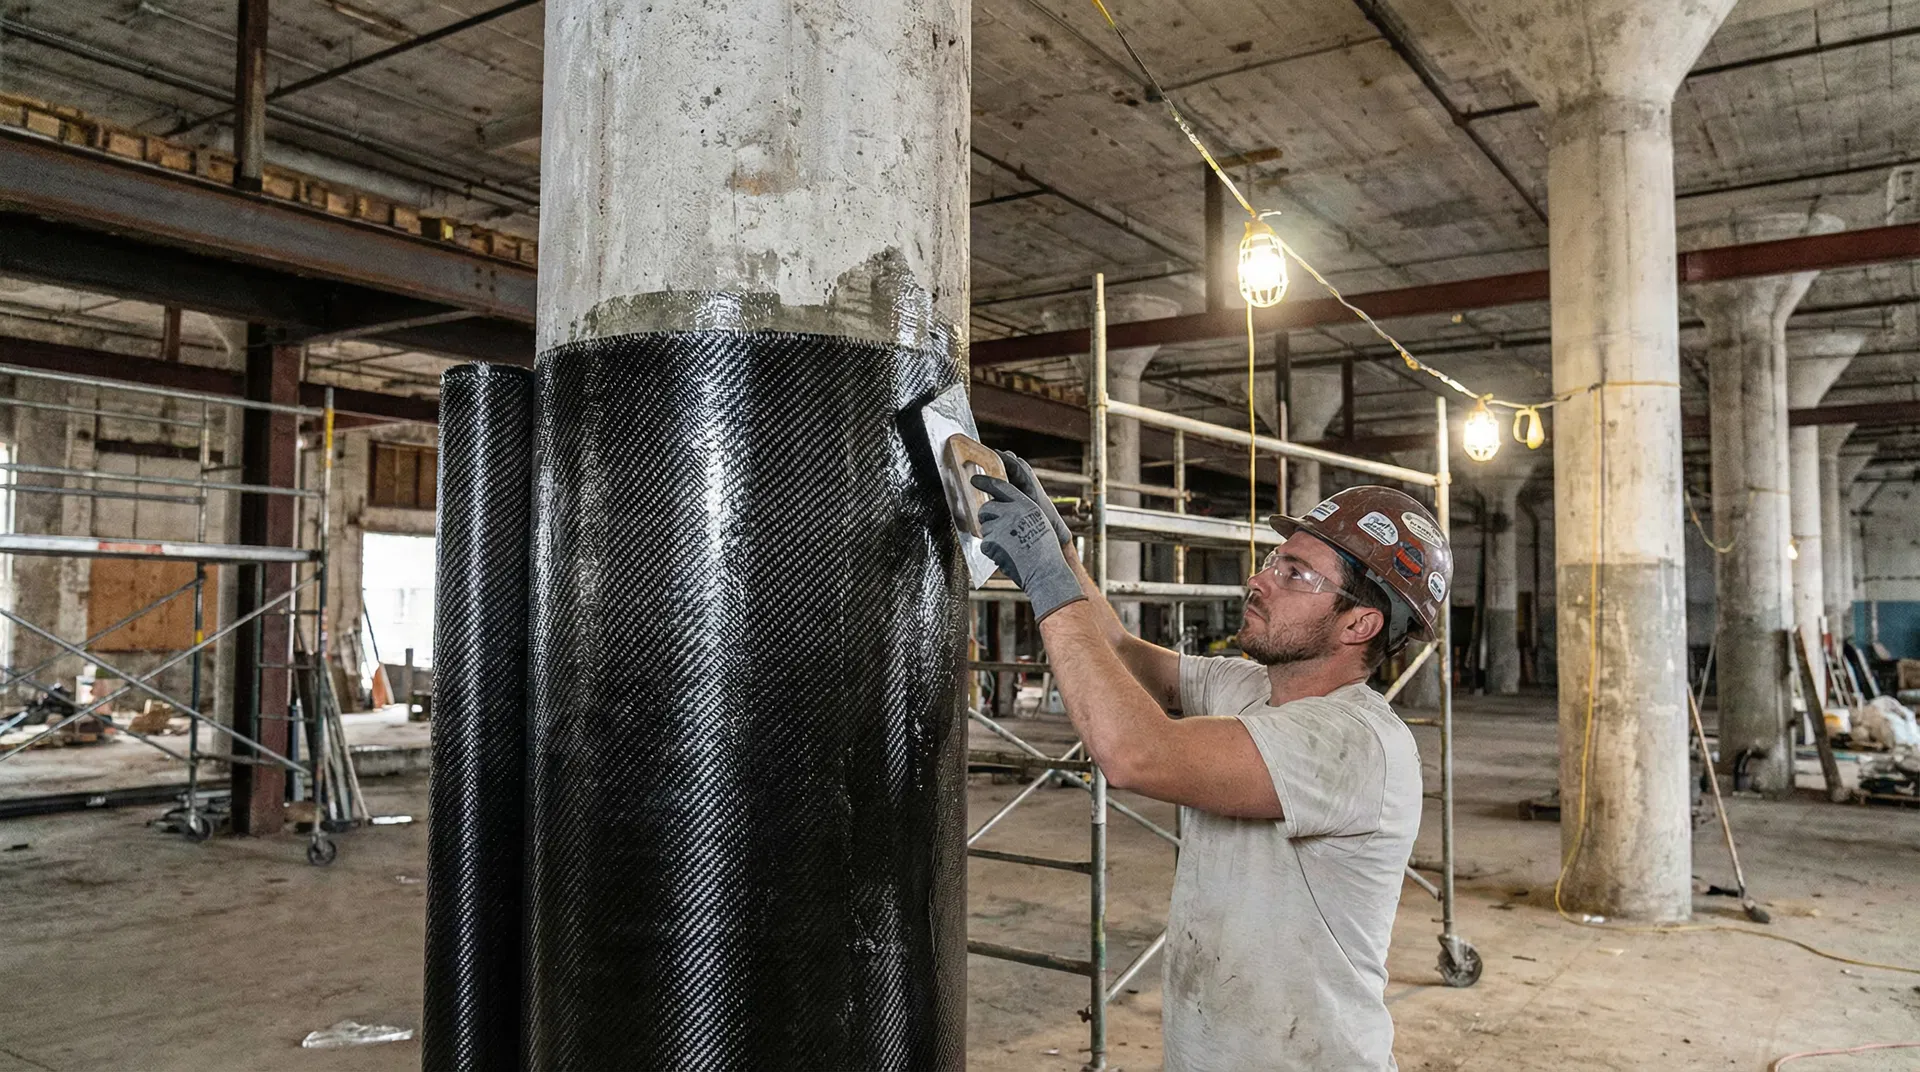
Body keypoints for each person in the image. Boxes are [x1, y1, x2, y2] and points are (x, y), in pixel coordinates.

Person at [970, 453, 1453, 1072]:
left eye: (1297, 574)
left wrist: (1045, 581)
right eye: (1275, 560)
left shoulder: (1354, 743)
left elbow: (1136, 754)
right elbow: (1119, 651)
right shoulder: (1251, 688)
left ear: (1359, 623)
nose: (1260, 580)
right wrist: (1063, 554)